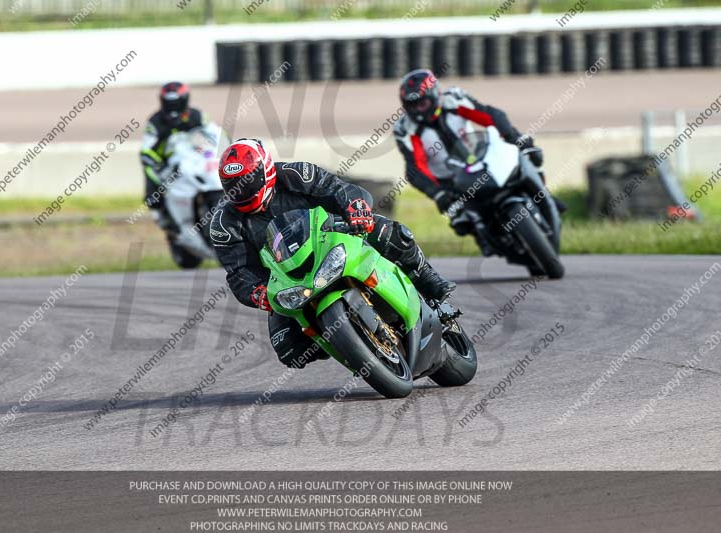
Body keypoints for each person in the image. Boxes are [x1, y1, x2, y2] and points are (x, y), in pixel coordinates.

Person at [209, 139, 456, 369]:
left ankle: (427, 277)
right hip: (288, 279)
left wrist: (356, 207)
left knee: (391, 233)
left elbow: (337, 188)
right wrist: (257, 292)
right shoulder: (223, 223)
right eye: (233, 186)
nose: (242, 190)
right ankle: (346, 339)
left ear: (266, 171)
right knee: (289, 350)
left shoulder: (296, 174)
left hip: (333, 237)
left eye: (248, 182)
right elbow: (238, 271)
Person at [393, 69, 565, 253]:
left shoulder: (454, 99)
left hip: (480, 159)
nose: (419, 110)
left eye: (423, 103)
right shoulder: (405, 129)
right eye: (413, 106)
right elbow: (415, 168)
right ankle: (483, 236)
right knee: (460, 220)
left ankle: (545, 197)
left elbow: (490, 117)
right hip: (449, 182)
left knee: (528, 160)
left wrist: (518, 140)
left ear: (435, 95)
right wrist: (437, 193)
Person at [140, 81, 207, 229]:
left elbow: (212, 135)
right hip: (168, 164)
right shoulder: (155, 121)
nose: (173, 107)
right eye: (169, 103)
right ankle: (160, 214)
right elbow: (146, 149)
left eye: (176, 103)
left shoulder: (198, 116)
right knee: (151, 178)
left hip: (196, 160)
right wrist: (157, 165)